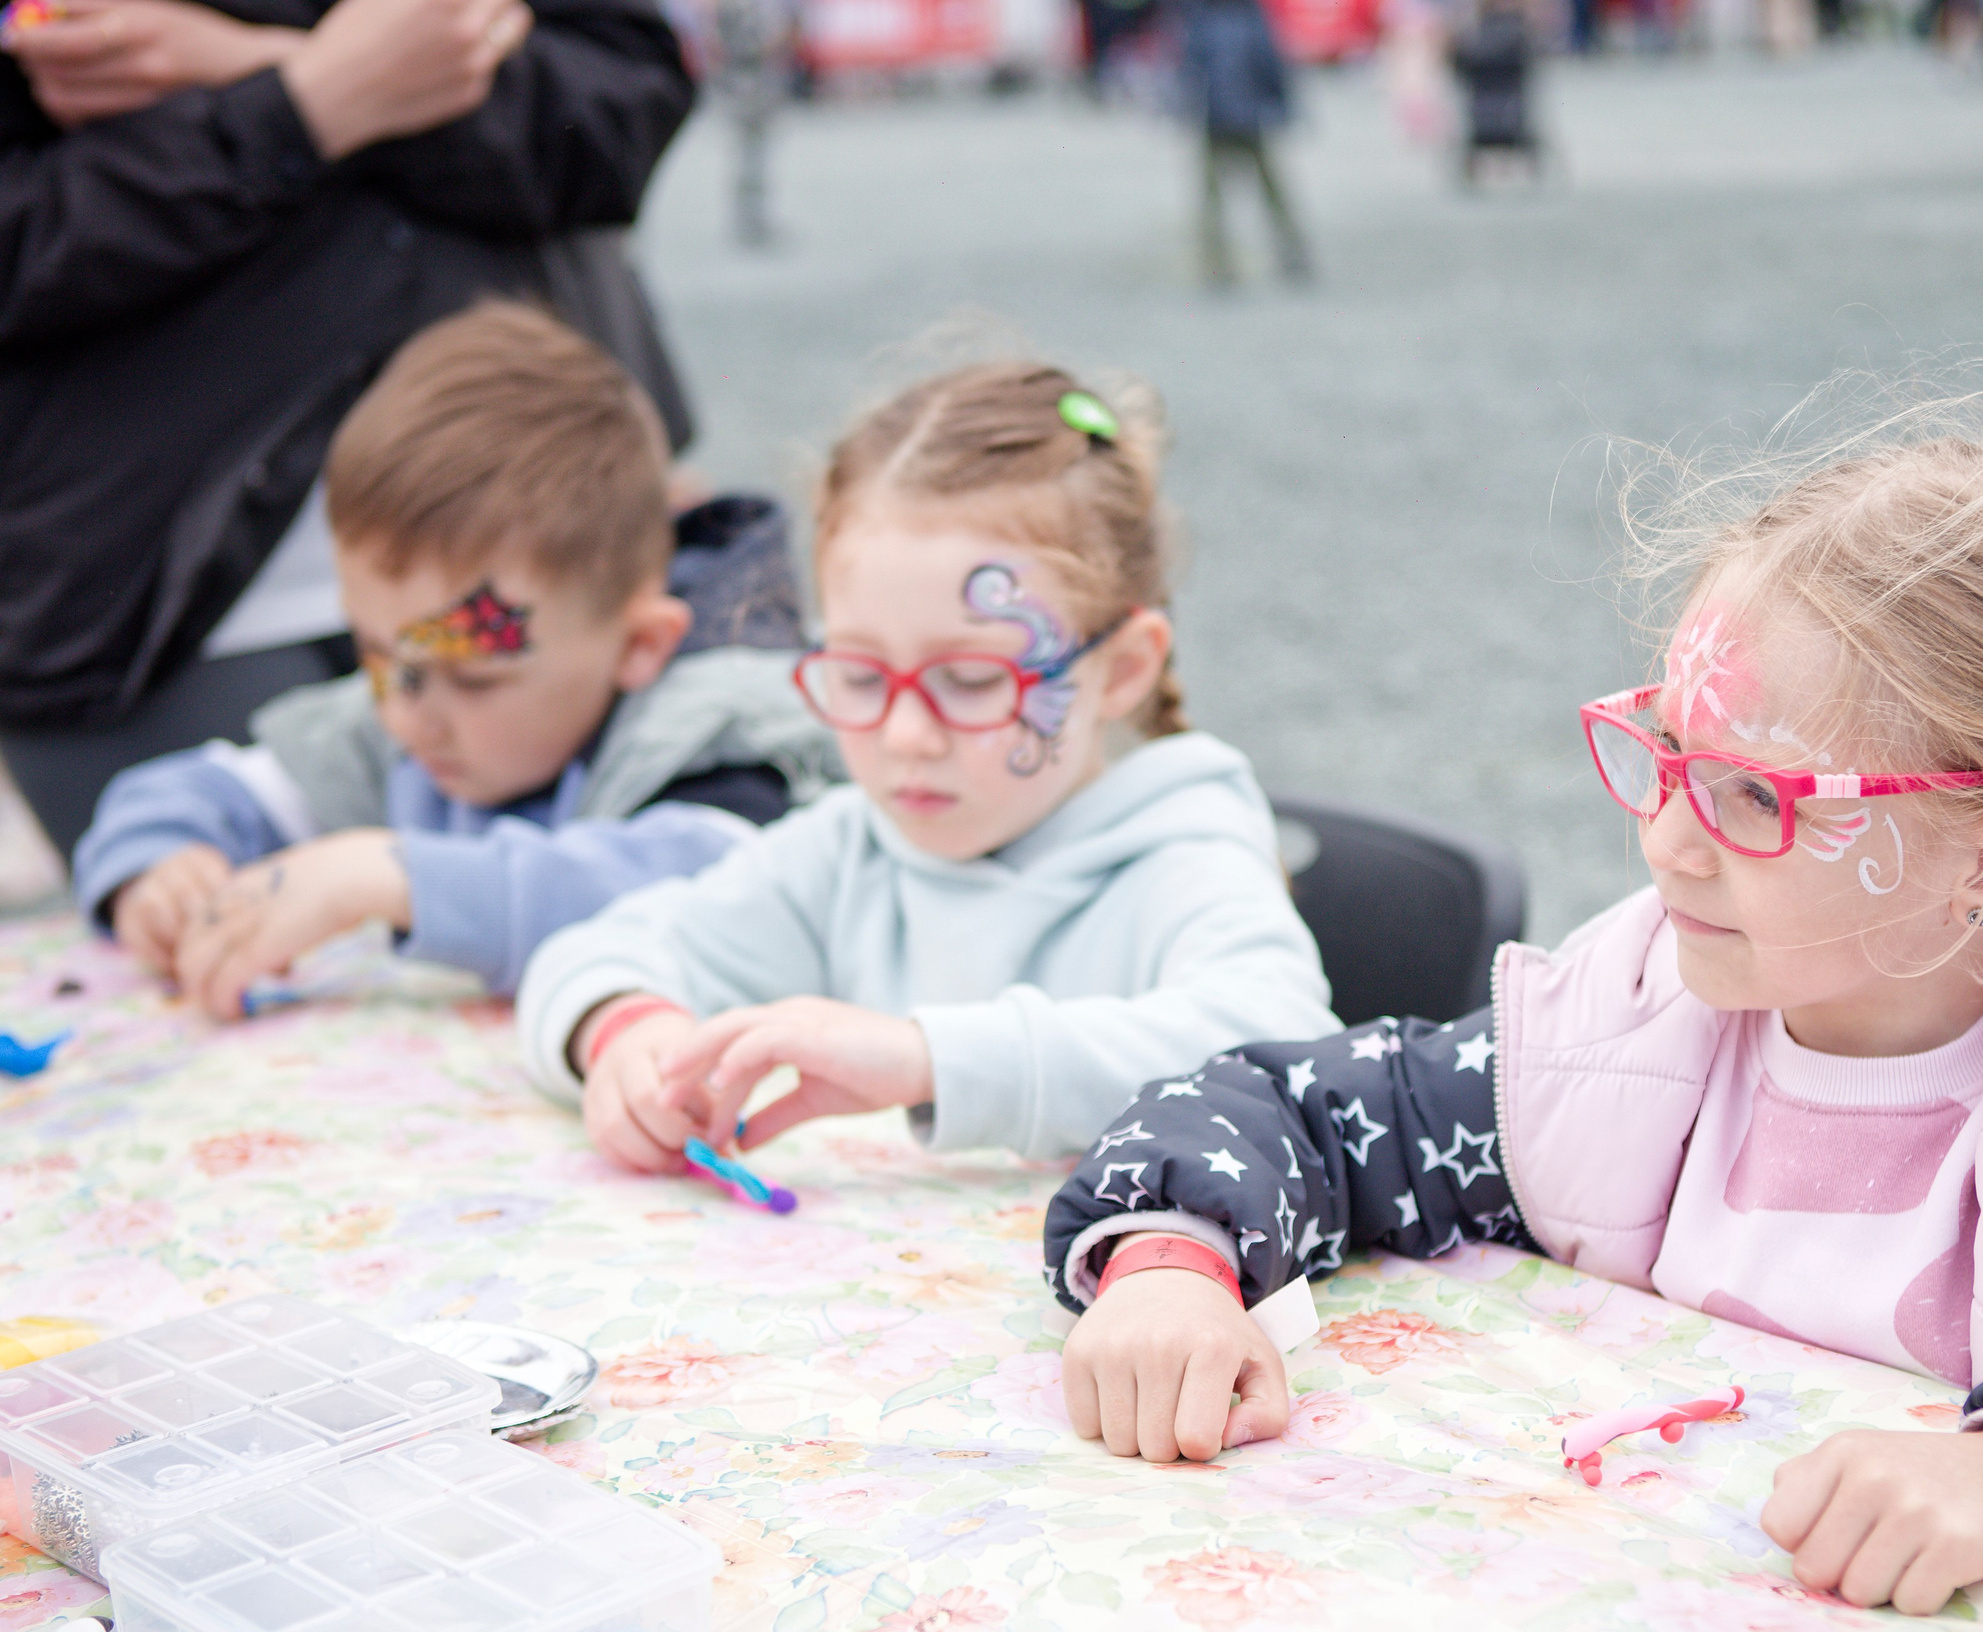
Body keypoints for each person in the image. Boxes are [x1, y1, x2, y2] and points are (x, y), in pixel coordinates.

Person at [1041, 380, 1983, 1610]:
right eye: (1668, 757)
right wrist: (1170, 1265)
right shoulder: (1619, 1041)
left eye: (1756, 795)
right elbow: (1283, 1101)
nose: (1665, 837)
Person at [518, 360, 1338, 1168]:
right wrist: (629, 1033)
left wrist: (926, 1060)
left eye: (973, 681)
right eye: (861, 676)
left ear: (1123, 670)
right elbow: (601, 949)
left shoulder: (1182, 858)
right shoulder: (851, 851)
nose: (906, 734)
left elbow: (1287, 1062)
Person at [0, 0, 696, 860]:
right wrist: (302, 101)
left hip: (527, 535)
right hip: (147, 588)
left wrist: (275, 68)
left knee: (578, 906)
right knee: (203, 892)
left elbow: (623, 102)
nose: (406, 718)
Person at [71, 303, 839, 1018]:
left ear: (640, 645)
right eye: (376, 655)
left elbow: (701, 892)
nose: (408, 717)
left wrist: (387, 876)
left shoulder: (720, 730)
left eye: (474, 679)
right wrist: (161, 868)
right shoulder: (410, 714)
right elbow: (208, 791)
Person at [1178, 0, 1310, 287]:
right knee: (1257, 191)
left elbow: (1190, 67)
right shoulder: (1247, 17)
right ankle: (1282, 254)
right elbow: (1270, 63)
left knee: (1225, 194)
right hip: (1238, 117)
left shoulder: (1207, 18)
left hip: (1225, 117)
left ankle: (1218, 262)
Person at [1447, 0, 1538, 185]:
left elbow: (1458, 68)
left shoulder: (1473, 39)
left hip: (1480, 124)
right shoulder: (1519, 36)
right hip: (1513, 120)